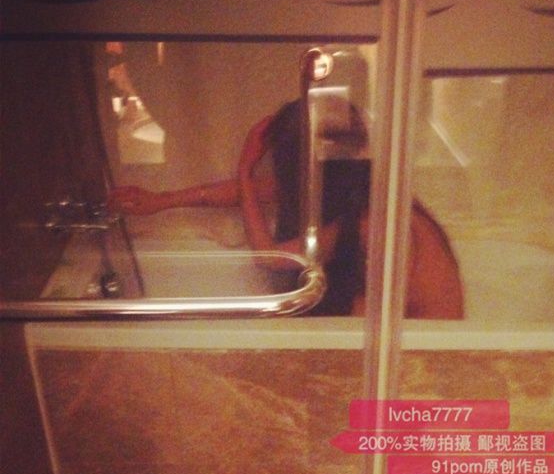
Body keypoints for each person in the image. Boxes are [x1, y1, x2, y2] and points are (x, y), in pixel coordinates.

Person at [109, 100, 465, 318]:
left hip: (429, 363)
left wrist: (246, 168)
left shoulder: (373, 224)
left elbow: (271, 258)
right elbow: (240, 194)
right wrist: (162, 201)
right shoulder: (355, 184)